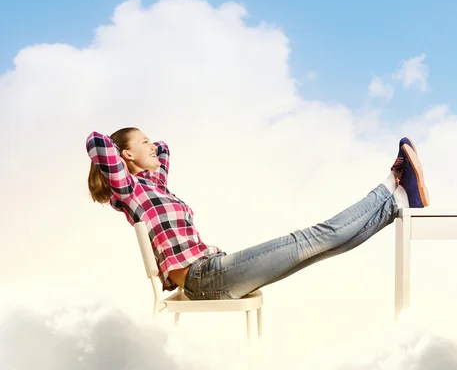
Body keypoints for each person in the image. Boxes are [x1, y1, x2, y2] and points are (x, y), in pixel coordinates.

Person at [86, 128, 429, 300]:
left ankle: (396, 203)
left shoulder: (154, 184)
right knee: (313, 237)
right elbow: (96, 142)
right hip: (205, 278)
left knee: (325, 248)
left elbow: (163, 150)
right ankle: (392, 183)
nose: (152, 145)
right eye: (142, 142)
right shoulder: (129, 191)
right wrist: (122, 151)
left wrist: (140, 150)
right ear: (126, 156)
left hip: (211, 271)